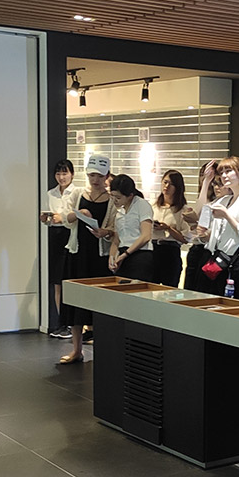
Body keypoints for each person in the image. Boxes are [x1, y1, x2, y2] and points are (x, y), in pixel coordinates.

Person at [58, 153, 113, 365]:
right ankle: (76, 349)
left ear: (107, 176)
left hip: (99, 256)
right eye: (91, 175)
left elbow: (114, 228)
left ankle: (103, 349)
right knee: (75, 302)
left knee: (99, 303)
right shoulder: (78, 193)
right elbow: (65, 218)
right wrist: (79, 213)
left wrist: (105, 232)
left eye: (99, 175)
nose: (95, 180)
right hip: (78, 253)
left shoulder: (112, 200)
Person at [203, 156, 239, 296]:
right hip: (220, 259)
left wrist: (226, 215)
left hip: (238, 261)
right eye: (221, 172)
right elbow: (202, 211)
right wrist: (206, 181)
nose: (224, 176)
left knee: (234, 303)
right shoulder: (226, 199)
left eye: (228, 171)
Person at [41, 159, 78, 339]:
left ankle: (73, 325)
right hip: (55, 236)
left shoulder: (77, 192)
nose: (61, 177)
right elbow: (49, 218)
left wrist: (61, 218)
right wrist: (46, 219)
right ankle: (61, 322)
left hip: (71, 236)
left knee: (69, 280)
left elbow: (77, 216)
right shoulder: (51, 193)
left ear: (72, 174)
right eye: (58, 173)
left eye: (65, 173)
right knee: (57, 282)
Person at [150, 169, 196, 287]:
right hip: (152, 249)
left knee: (169, 289)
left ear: (178, 188)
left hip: (170, 251)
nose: (167, 186)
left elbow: (185, 239)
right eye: (165, 182)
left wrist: (168, 228)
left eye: (171, 184)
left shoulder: (183, 210)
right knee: (150, 287)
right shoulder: (153, 206)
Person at [108, 174, 156, 282]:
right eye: (112, 196)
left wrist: (125, 254)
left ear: (130, 195)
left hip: (140, 254)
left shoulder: (141, 205)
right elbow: (116, 240)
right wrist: (112, 258)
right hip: (123, 255)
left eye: (118, 197)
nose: (114, 200)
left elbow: (146, 236)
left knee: (136, 289)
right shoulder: (120, 211)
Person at [185, 160, 223, 293]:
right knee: (190, 288)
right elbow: (200, 214)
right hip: (197, 247)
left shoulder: (221, 201)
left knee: (204, 290)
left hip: (211, 250)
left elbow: (201, 215)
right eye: (203, 175)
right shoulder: (205, 197)